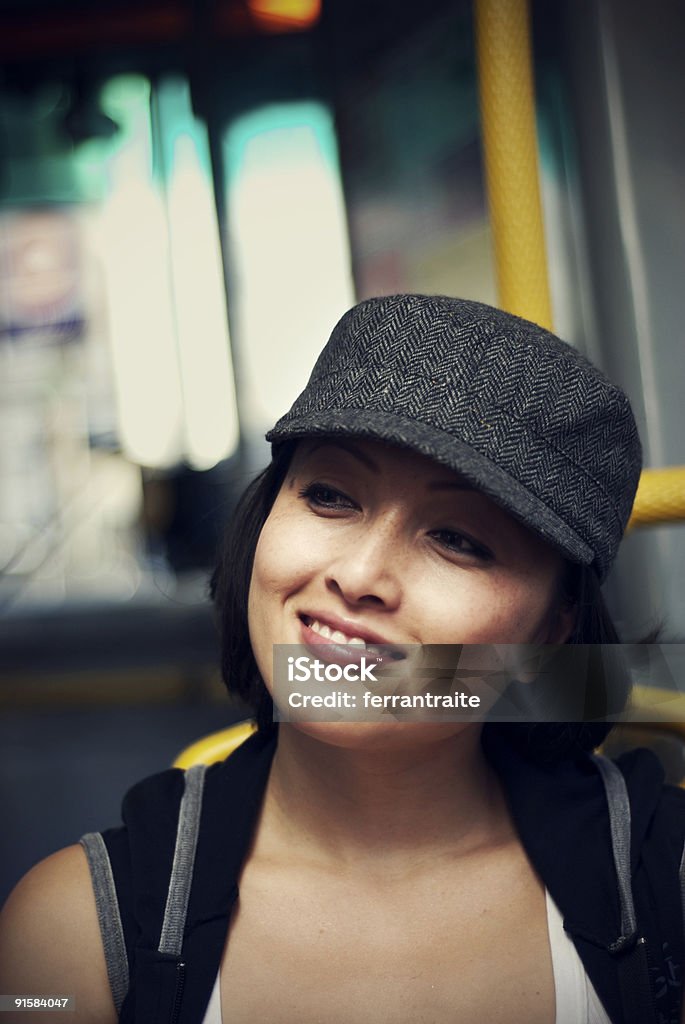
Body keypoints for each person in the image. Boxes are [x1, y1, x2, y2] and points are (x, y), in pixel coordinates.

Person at [0, 294, 683, 1024]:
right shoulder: (71, 934)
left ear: (552, 630)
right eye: (328, 496)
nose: (358, 577)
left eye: (458, 540)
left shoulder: (664, 885)